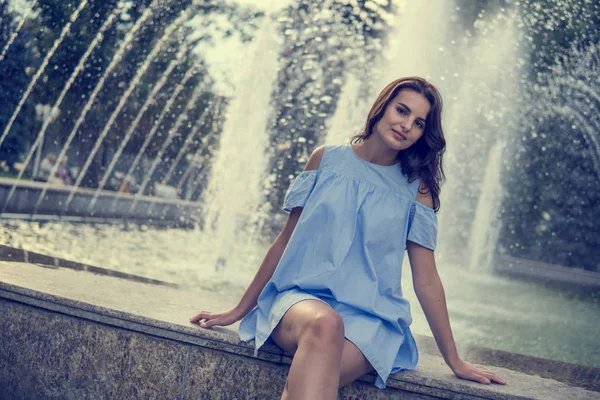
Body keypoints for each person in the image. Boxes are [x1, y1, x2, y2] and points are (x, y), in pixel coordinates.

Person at [190, 77, 506, 398]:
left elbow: (426, 279)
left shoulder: (417, 190)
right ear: (382, 107)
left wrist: (454, 359)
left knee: (308, 382)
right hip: (300, 302)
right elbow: (285, 240)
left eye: (419, 123)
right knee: (326, 325)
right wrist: (239, 309)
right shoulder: (325, 160)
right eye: (402, 111)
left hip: (373, 320)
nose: (407, 125)